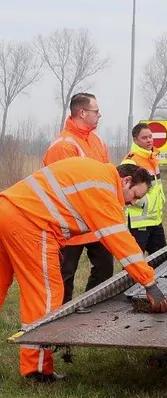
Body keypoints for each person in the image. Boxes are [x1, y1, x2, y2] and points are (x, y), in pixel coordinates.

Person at [0, 158, 167, 382]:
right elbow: (121, 243)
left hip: (6, 209)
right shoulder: (104, 190)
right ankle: (37, 370)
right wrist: (149, 283)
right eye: (135, 196)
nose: (132, 203)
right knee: (46, 295)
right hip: (31, 225)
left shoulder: (95, 174)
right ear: (126, 181)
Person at [42, 92, 115, 304]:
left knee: (105, 270)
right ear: (82, 113)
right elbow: (64, 189)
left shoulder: (98, 142)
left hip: (95, 221)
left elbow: (106, 177)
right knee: (65, 276)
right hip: (68, 225)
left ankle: (89, 308)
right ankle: (61, 316)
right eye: (96, 111)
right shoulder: (64, 145)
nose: (100, 115)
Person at [121, 122, 167, 255]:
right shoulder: (131, 160)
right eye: (144, 138)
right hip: (139, 221)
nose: (149, 140)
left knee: (163, 258)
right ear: (135, 140)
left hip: (155, 219)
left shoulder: (152, 158)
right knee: (136, 260)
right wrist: (143, 203)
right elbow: (125, 190)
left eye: (150, 137)